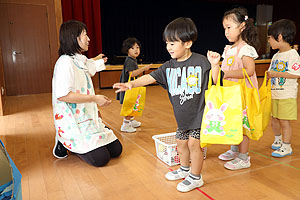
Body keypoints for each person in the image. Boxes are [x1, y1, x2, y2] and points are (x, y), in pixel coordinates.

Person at [114, 17, 211, 192]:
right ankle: (184, 169)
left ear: (188, 43)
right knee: (181, 144)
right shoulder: (168, 67)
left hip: (199, 115)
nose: (168, 47)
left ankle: (196, 177)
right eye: (167, 43)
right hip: (182, 118)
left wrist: (216, 64)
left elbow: (216, 80)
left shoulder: (202, 62)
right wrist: (131, 84)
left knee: (194, 145)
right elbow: (149, 77)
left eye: (173, 43)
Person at [52, 20, 122, 167]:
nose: (89, 38)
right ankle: (63, 142)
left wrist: (97, 59)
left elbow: (88, 66)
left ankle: (89, 139)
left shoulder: (79, 59)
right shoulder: (64, 63)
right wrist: (94, 98)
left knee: (116, 150)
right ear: (74, 37)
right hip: (73, 120)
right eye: (85, 35)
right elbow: (63, 95)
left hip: (87, 115)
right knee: (101, 159)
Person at [207, 7, 259, 170]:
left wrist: (226, 73)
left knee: (242, 126)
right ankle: (234, 150)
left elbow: (249, 70)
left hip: (243, 93)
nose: (226, 32)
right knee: (232, 121)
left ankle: (244, 158)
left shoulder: (245, 48)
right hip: (231, 93)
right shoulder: (228, 48)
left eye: (229, 27)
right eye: (224, 28)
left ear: (242, 26)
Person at [267, 19, 300, 157]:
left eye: (269, 38)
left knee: (284, 121)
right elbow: (270, 72)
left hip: (287, 95)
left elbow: (296, 74)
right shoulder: (276, 55)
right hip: (275, 94)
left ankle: (287, 147)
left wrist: (276, 73)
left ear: (279, 37)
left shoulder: (293, 55)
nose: (268, 41)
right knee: (274, 119)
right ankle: (278, 139)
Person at [116, 37, 151, 132]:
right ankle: (125, 125)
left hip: (130, 87)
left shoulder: (132, 59)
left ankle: (131, 121)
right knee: (129, 106)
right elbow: (132, 74)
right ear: (127, 50)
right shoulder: (130, 61)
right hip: (128, 89)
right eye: (132, 48)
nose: (136, 50)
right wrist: (144, 68)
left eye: (137, 47)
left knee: (133, 105)